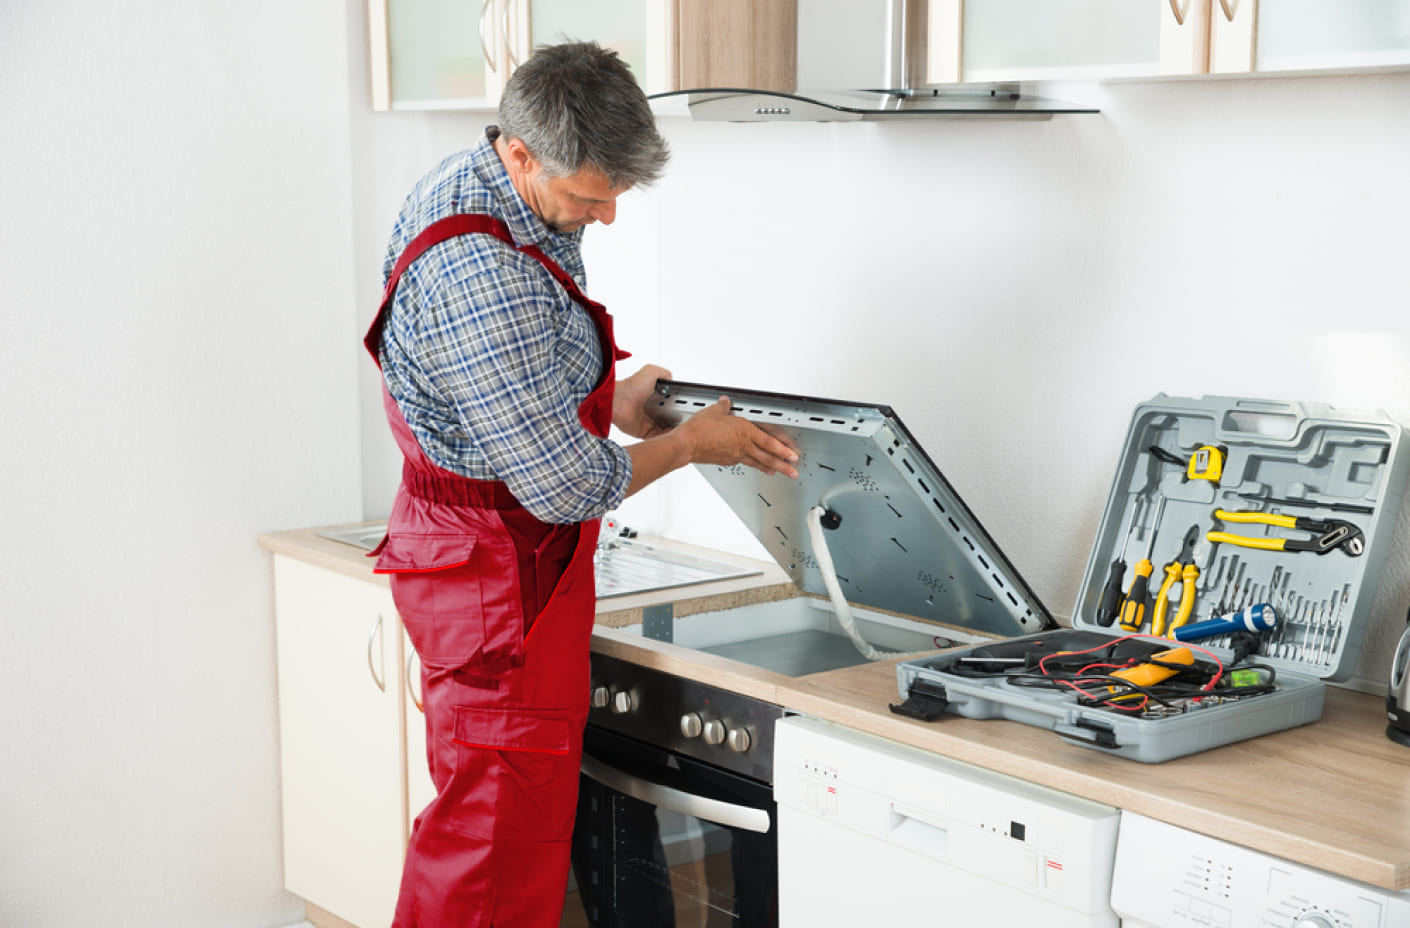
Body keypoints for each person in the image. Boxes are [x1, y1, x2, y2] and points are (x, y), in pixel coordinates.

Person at [362, 41, 799, 928]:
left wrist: (613, 403)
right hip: (500, 583)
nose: (606, 216)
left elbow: (505, 395)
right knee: (490, 860)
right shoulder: (483, 270)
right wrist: (688, 446)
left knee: (474, 836)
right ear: (519, 152)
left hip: (481, 567)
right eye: (590, 196)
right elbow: (563, 489)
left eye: (618, 194)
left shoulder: (486, 189)